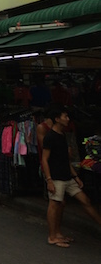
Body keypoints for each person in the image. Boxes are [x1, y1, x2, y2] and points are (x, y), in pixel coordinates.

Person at [41, 106, 101, 248]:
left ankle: (58, 233)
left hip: (67, 177)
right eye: (65, 116)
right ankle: (52, 236)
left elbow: (64, 160)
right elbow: (44, 159)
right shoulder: (50, 137)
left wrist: (75, 175)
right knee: (55, 204)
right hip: (56, 178)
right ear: (57, 119)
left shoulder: (62, 135)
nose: (67, 119)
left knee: (85, 200)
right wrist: (49, 179)